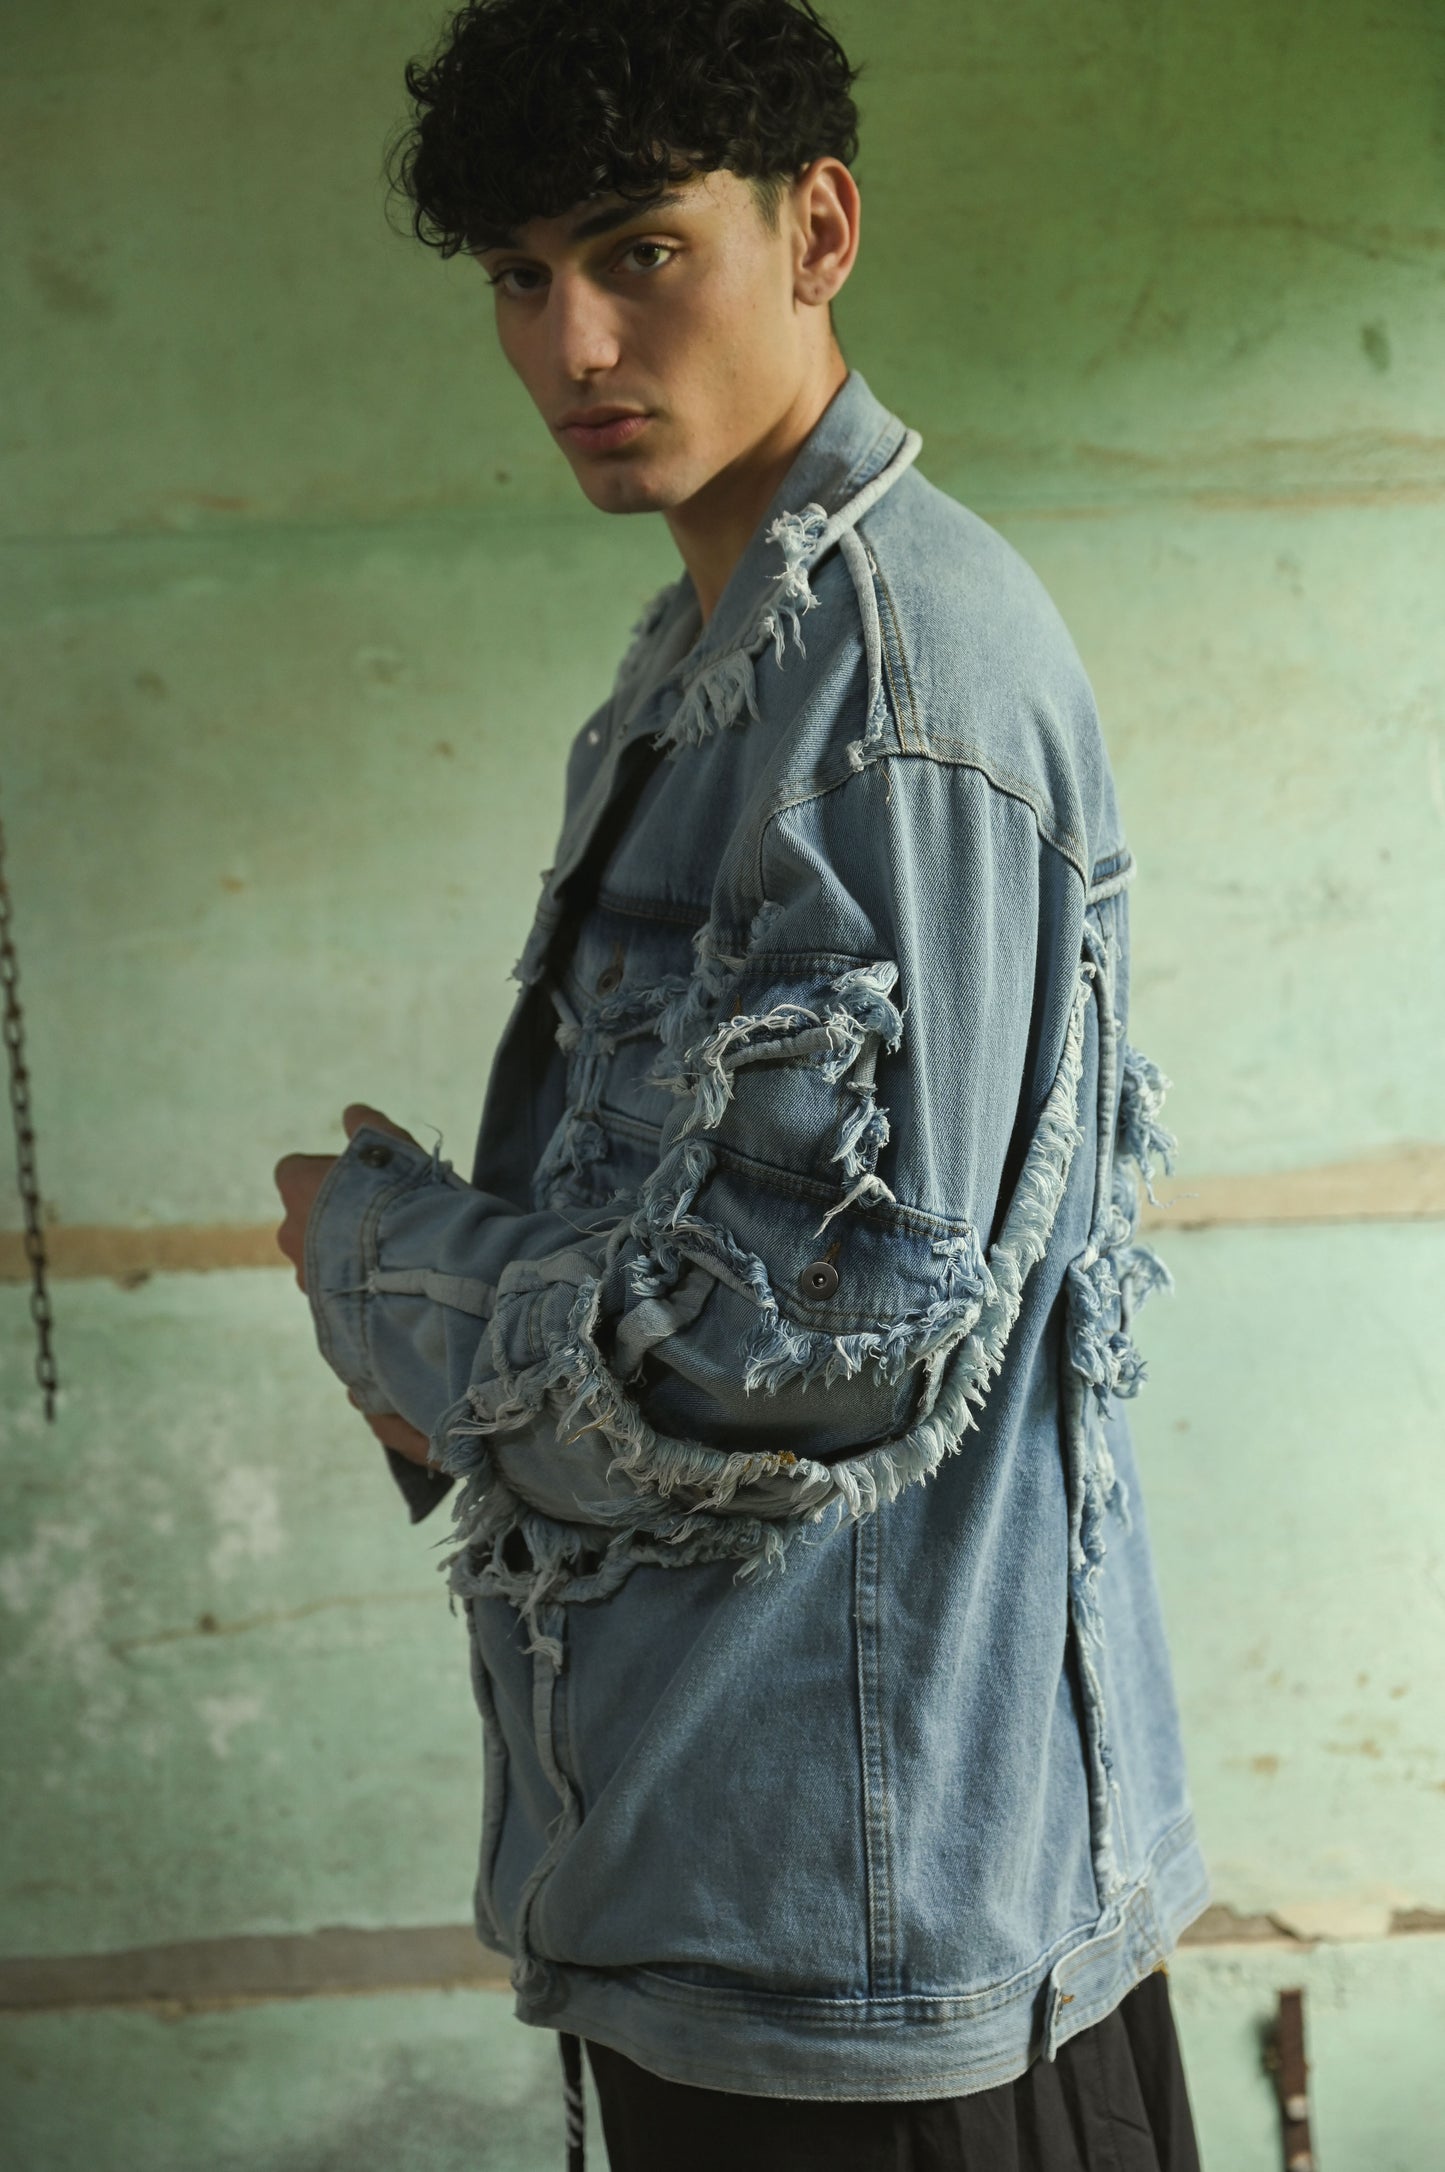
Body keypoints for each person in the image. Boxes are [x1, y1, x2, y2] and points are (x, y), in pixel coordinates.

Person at [273, 2, 1212, 2165]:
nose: (576, 344)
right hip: (740, 1866)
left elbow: (808, 1356)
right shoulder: (716, 656)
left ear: (819, 229)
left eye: (640, 251)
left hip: (869, 1944)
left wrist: (374, 1267)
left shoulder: (891, 689)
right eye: (521, 277)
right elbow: (693, 1270)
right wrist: (469, 1355)